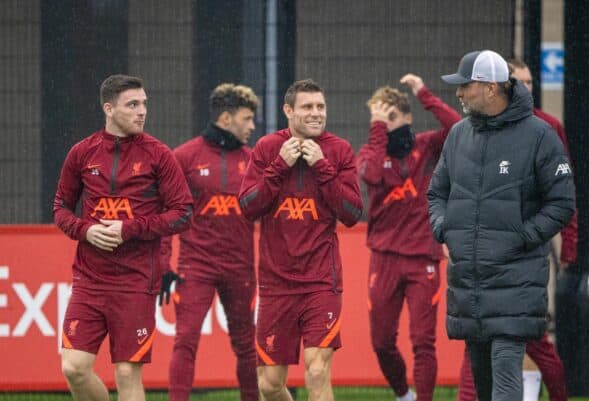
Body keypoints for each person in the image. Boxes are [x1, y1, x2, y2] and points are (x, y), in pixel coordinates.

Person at [428, 50, 576, 401]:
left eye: (466, 86)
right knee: (483, 385)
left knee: (506, 376)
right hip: (469, 285)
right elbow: (436, 193)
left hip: (516, 280)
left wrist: (523, 237)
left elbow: (563, 202)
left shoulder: (540, 135)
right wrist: (445, 229)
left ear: (491, 88)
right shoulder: (459, 135)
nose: (459, 94)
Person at [54, 74, 193, 401]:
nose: (141, 111)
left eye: (144, 103)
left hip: (136, 282)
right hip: (89, 280)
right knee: (73, 368)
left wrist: (128, 229)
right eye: (132, 104)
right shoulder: (81, 153)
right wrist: (85, 230)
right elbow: (61, 207)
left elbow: (184, 212)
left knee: (127, 373)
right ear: (109, 108)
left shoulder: (159, 155)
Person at [238, 79, 363, 401]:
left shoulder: (338, 150)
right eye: (307, 107)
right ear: (288, 110)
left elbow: (351, 213)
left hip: (321, 280)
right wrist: (280, 166)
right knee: (269, 384)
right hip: (276, 282)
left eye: (320, 107)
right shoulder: (267, 148)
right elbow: (248, 207)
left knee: (318, 370)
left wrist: (322, 166)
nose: (316, 113)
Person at [357, 74, 461, 401]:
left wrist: (422, 92)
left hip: (423, 257)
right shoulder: (370, 151)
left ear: (407, 118)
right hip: (384, 258)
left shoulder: (427, 145)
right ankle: (404, 395)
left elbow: (457, 129)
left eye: (391, 117)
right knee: (382, 342)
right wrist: (377, 127)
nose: (385, 126)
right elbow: (371, 176)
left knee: (423, 342)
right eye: (379, 118)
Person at [159, 83, 259, 401]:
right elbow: (164, 213)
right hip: (195, 266)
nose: (253, 126)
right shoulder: (184, 156)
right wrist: (162, 264)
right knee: (185, 340)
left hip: (241, 268)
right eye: (247, 118)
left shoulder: (255, 159)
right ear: (227, 119)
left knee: (246, 345)